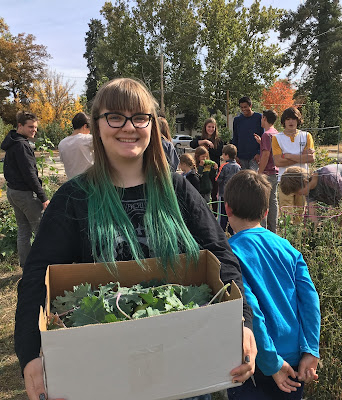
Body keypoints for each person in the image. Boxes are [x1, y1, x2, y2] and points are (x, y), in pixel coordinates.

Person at [14, 78, 256, 400]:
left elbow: (220, 254)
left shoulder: (177, 190)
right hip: (107, 370)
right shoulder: (75, 197)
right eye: (115, 116)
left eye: (140, 117)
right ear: (97, 125)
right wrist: (31, 351)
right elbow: (37, 274)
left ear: (152, 125)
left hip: (183, 363)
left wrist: (242, 321)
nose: (129, 127)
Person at [224, 170, 320, 400]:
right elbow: (310, 300)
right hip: (295, 361)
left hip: (255, 362)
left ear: (228, 209)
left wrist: (272, 362)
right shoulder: (288, 248)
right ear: (266, 211)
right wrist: (311, 350)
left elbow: (250, 309)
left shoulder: (230, 254)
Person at [1, 111, 49, 268]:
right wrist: (43, 197)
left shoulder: (13, 142)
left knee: (23, 230)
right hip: (25, 194)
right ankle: (44, 265)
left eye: (35, 127)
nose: (34, 130)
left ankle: (26, 266)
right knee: (41, 230)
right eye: (30, 127)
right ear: (20, 126)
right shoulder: (21, 145)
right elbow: (29, 174)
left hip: (13, 192)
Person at [280, 164, 342, 238]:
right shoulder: (308, 191)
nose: (297, 195)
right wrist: (311, 236)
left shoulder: (330, 177)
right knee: (336, 235)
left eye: (297, 192)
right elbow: (313, 217)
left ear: (305, 182)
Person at [271, 107, 315, 217]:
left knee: (300, 213)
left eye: (294, 119)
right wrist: (301, 156)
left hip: (303, 180)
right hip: (285, 180)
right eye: (288, 119)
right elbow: (278, 162)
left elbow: (311, 159)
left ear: (298, 120)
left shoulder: (306, 136)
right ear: (283, 121)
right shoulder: (277, 138)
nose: (291, 122)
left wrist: (289, 156)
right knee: (286, 214)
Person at [190, 118, 224, 212]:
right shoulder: (200, 138)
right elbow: (192, 144)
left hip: (212, 170)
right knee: (201, 192)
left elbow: (218, 153)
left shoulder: (219, 141)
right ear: (205, 127)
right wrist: (204, 142)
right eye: (209, 127)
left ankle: (215, 213)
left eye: (213, 127)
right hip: (201, 170)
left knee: (214, 193)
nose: (211, 129)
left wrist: (208, 148)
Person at [254, 109, 279, 233]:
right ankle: (273, 229)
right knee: (273, 200)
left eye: (262, 118)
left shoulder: (266, 135)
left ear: (264, 118)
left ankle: (263, 230)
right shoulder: (276, 133)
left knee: (263, 201)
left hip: (267, 173)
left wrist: (259, 172)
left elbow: (266, 155)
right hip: (276, 171)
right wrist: (261, 142)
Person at [58, 112, 94, 179]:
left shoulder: (62, 143)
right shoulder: (87, 139)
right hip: (89, 181)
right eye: (89, 129)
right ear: (85, 126)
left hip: (71, 182)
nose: (89, 132)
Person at [232, 96, 263, 171]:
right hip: (241, 156)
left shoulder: (259, 118)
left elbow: (263, 136)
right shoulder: (237, 120)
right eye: (241, 107)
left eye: (245, 107)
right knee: (242, 177)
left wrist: (259, 153)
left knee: (253, 176)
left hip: (254, 157)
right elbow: (235, 138)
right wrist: (235, 155)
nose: (243, 109)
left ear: (250, 106)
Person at [215, 144, 241, 234]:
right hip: (234, 195)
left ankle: (220, 232)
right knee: (232, 213)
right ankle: (232, 230)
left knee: (222, 214)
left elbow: (217, 179)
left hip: (223, 194)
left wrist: (216, 170)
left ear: (226, 155)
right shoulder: (238, 166)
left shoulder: (224, 166)